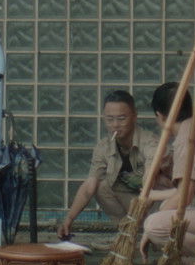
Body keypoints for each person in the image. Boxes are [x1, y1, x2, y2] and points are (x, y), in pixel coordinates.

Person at [56, 90, 160, 240]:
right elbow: (89, 186)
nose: (115, 125)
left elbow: (152, 176)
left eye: (121, 118)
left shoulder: (149, 142)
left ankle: (151, 234)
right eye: (110, 119)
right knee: (100, 187)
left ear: (134, 116)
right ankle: (127, 234)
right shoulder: (104, 146)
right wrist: (69, 219)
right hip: (131, 204)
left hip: (156, 203)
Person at [138, 81, 195, 263]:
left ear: (160, 116)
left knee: (154, 226)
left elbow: (184, 196)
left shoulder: (188, 139)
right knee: (160, 214)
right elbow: (186, 189)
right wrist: (155, 195)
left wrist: (158, 215)